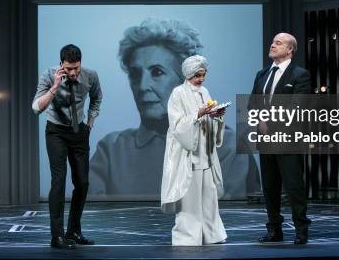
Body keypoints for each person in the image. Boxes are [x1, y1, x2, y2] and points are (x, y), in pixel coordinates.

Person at [89, 18, 260, 199]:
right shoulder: (111, 150)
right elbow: (95, 220)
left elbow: (236, 221)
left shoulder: (225, 145)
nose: (142, 86)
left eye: (157, 72)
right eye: (135, 74)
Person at [32, 44, 102, 249]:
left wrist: (90, 121)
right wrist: (54, 87)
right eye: (68, 68)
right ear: (61, 64)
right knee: (58, 181)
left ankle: (73, 231)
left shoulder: (90, 75)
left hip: (79, 131)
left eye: (76, 68)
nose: (72, 73)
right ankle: (57, 236)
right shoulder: (48, 75)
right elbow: (36, 108)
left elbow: (97, 97)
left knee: (82, 183)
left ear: (80, 64)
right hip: (55, 132)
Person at [251, 32, 311, 245]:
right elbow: (252, 103)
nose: (273, 45)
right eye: (273, 41)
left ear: (290, 49)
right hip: (265, 139)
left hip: (288, 138)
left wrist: (269, 121)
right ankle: (274, 230)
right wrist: (260, 119)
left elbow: (298, 106)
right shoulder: (262, 74)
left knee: (294, 186)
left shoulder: (299, 74)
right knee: (270, 187)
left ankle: (301, 229)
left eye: (279, 43)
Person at [161, 55, 227, 245]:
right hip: (189, 156)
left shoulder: (204, 91)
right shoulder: (178, 93)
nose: (202, 79)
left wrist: (216, 116)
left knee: (209, 199)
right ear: (189, 74)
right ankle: (188, 236)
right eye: (198, 75)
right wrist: (199, 113)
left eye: (204, 74)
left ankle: (212, 233)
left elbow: (209, 118)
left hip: (206, 154)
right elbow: (177, 125)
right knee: (190, 201)